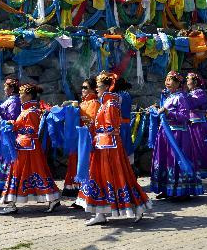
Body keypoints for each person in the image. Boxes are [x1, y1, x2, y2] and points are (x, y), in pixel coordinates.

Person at [77, 73, 151, 226]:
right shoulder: (105, 103)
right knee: (99, 178)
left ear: (106, 87)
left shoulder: (111, 104)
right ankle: (100, 213)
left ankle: (137, 207)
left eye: (98, 85)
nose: (96, 88)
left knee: (117, 176)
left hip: (109, 146)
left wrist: (96, 129)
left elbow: (111, 126)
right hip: (102, 145)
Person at [0, 83, 60, 215]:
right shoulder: (28, 110)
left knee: (20, 172)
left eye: (22, 94)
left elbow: (32, 130)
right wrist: (13, 124)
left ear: (29, 96)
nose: (20, 96)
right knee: (37, 171)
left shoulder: (31, 111)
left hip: (27, 147)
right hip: (25, 146)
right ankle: (52, 198)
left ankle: (12, 203)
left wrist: (14, 126)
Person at [150, 71, 204, 200]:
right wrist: (156, 109)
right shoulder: (169, 97)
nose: (167, 82)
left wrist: (168, 112)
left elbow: (184, 116)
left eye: (170, 80)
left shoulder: (181, 97)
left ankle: (182, 190)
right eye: (166, 79)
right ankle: (165, 188)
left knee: (176, 160)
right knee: (164, 159)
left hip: (177, 134)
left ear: (178, 83)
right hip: (165, 133)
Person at [62, 77, 100, 197]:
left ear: (93, 89)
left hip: (86, 140)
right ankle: (76, 190)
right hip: (79, 139)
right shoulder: (83, 103)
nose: (82, 89)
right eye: (82, 87)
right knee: (75, 163)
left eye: (85, 87)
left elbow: (92, 122)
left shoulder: (94, 103)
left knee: (85, 165)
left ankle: (85, 193)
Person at [185, 72, 207, 181]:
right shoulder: (188, 93)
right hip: (190, 125)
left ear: (195, 82)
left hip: (199, 126)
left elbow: (192, 104)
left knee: (203, 148)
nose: (187, 81)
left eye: (188, 79)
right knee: (192, 149)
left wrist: (182, 96)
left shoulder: (200, 93)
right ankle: (194, 174)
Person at [114, 76, 136, 164]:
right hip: (126, 124)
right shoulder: (127, 94)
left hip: (120, 125)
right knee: (127, 146)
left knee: (121, 147)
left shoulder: (118, 96)